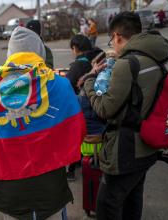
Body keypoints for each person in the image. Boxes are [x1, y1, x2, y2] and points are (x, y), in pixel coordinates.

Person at [0, 26, 86, 220]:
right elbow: (78, 130)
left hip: (10, 189)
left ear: (10, 53)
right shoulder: (58, 83)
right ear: (39, 50)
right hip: (51, 185)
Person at [80, 11, 168, 220]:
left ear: (117, 36)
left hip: (124, 151)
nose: (112, 45)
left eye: (111, 40)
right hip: (147, 145)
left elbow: (105, 108)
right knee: (133, 198)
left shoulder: (126, 64)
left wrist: (89, 81)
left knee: (107, 205)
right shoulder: (155, 57)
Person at [65, 34, 104, 180]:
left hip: (82, 105)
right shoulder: (98, 58)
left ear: (75, 48)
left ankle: (71, 169)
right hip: (98, 102)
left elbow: (67, 85)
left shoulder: (77, 65)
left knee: (76, 135)